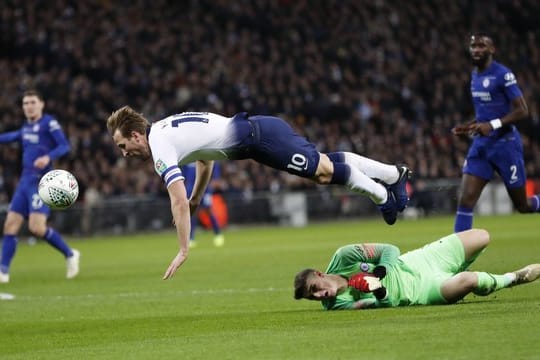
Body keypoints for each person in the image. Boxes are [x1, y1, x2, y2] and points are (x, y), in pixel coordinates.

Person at [106, 107, 411, 279]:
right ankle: (393, 175)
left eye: (123, 146)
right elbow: (203, 158)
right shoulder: (163, 130)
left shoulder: (159, 146)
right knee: (324, 168)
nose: (124, 153)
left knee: (324, 172)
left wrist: (184, 249)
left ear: (135, 135)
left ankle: (381, 196)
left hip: (261, 140)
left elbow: (177, 200)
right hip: (259, 136)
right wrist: (197, 197)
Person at [293, 228, 540, 310]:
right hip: (421, 291)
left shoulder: (344, 255)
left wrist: (379, 273)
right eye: (311, 297)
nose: (319, 296)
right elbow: (381, 305)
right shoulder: (336, 305)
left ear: (320, 274)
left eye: (315, 289)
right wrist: (378, 291)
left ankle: (464, 273)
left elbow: (390, 249)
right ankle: (511, 278)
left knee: (482, 236)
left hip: (419, 261)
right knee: (468, 281)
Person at [452, 33, 540, 232]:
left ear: (492, 50)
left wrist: (492, 124)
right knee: (465, 201)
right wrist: (470, 125)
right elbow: (486, 113)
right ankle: (458, 258)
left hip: (505, 145)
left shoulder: (503, 74)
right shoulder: (475, 74)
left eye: (481, 46)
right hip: (482, 146)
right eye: (473, 46)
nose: (476, 50)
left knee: (523, 206)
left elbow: (522, 110)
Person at [0, 90, 80, 283]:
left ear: (41, 104)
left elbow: (64, 146)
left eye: (32, 102)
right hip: (24, 182)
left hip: (40, 183)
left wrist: (48, 157)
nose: (29, 106)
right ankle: (3, 271)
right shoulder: (26, 127)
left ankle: (70, 254)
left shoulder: (49, 123)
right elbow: (11, 137)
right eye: (25, 103)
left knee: (36, 228)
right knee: (10, 225)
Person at [181, 161, 225, 248]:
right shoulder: (188, 156)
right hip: (190, 190)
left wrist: (215, 178)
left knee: (209, 210)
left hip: (205, 189)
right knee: (192, 212)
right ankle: (191, 238)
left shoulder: (202, 152)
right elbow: (183, 174)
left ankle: (218, 234)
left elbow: (213, 165)